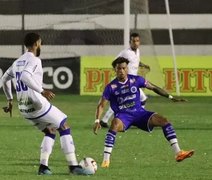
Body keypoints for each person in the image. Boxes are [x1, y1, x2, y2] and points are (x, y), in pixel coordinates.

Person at [1, 32, 90, 175]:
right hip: (36, 104)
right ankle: (73, 166)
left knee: (50, 130)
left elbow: (4, 80)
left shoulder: (17, 62)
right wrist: (42, 91)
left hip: (24, 108)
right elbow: (24, 76)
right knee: (64, 126)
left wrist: (10, 100)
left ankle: (43, 168)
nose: (41, 45)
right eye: (40, 42)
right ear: (36, 43)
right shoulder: (35, 60)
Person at [93, 57, 194, 168]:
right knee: (114, 124)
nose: (121, 70)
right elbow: (101, 105)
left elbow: (153, 87)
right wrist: (97, 120)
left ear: (127, 68)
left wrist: (170, 97)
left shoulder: (136, 80)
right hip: (123, 116)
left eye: (123, 68)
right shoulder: (111, 87)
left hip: (139, 113)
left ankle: (179, 153)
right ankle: (106, 161)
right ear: (115, 70)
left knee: (164, 121)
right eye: (119, 69)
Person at [100, 33, 150, 128]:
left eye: (137, 41)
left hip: (133, 82)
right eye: (133, 41)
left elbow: (136, 61)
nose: (135, 43)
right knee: (140, 99)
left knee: (126, 101)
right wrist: (119, 72)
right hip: (126, 81)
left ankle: (105, 120)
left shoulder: (138, 51)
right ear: (130, 42)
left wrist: (143, 65)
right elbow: (115, 61)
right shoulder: (126, 52)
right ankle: (137, 118)